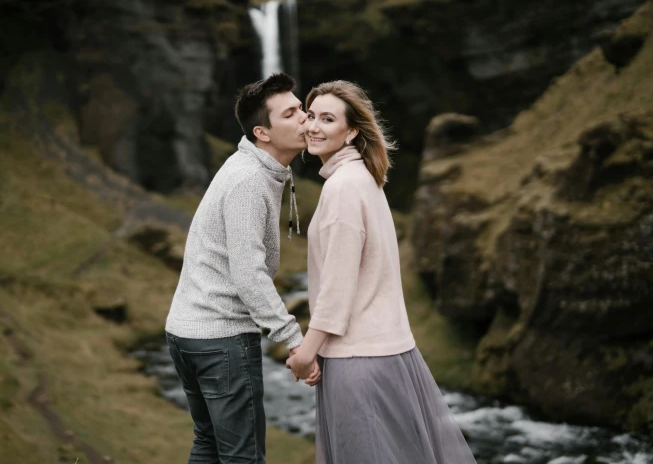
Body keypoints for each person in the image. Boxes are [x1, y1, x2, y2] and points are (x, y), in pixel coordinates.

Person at [286, 80, 477, 464]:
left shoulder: (342, 188)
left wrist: (305, 353)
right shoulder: (364, 180)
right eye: (311, 116)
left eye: (328, 118)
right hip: (389, 355)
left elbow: (338, 288)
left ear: (352, 130)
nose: (313, 127)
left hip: (358, 362)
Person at [165, 73, 320, 464]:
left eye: (301, 108)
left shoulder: (252, 168)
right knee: (243, 458)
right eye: (291, 113)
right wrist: (295, 340)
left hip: (189, 330)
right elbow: (248, 274)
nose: (306, 118)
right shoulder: (249, 180)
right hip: (221, 338)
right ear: (262, 132)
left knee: (210, 446)